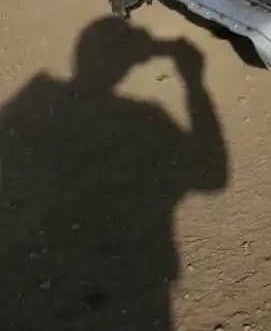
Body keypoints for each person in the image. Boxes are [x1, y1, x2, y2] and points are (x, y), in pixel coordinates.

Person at [0, 17, 228, 330]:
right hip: (130, 292)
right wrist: (194, 82)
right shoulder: (146, 120)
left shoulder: (30, 107)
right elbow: (212, 176)